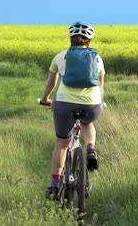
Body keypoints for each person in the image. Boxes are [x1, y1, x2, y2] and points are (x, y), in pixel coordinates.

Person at [39, 22, 106, 199]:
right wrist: (100, 102)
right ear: (89, 40)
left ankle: (54, 185)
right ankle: (90, 148)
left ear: (71, 39)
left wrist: (46, 98)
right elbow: (100, 86)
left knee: (62, 143)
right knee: (87, 122)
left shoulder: (60, 57)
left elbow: (51, 83)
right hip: (92, 104)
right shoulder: (97, 58)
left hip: (64, 104)